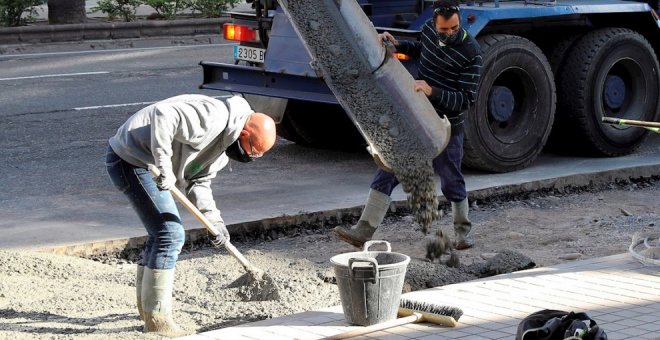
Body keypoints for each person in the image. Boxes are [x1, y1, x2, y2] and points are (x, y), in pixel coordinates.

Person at [105, 94, 276, 336]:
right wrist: (164, 166)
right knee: (170, 234)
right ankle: (157, 321)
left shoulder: (223, 146)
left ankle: (147, 311)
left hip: (146, 164)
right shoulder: (213, 117)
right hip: (132, 158)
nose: (249, 158)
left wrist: (216, 222)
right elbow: (163, 115)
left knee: (160, 234)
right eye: (252, 152)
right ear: (245, 134)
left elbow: (200, 181)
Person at [334, 0, 483, 250]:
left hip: (446, 127)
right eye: (443, 30)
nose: (448, 34)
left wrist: (432, 91)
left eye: (453, 29)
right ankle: (363, 231)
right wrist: (398, 45)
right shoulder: (428, 30)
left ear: (459, 20)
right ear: (435, 23)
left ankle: (462, 233)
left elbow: (466, 99)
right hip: (415, 115)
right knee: (389, 169)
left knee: (450, 179)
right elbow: (420, 48)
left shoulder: (471, 52)